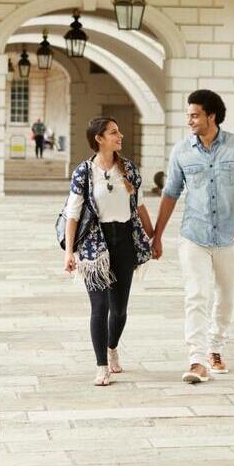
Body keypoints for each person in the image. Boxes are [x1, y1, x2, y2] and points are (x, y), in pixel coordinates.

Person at [152, 89, 234, 384]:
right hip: (193, 236)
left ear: (211, 116)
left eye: (195, 115)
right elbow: (170, 193)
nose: (189, 121)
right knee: (196, 295)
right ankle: (197, 360)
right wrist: (157, 236)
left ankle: (215, 347)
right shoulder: (182, 151)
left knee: (227, 297)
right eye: (188, 115)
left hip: (229, 237)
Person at [63, 117, 154, 386]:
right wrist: (69, 252)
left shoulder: (129, 170)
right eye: (114, 132)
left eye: (118, 131)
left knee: (120, 310)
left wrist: (154, 238)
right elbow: (72, 214)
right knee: (99, 307)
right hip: (94, 246)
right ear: (99, 139)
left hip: (124, 242)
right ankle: (101, 365)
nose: (120, 135)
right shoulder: (83, 172)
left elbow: (140, 206)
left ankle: (112, 347)